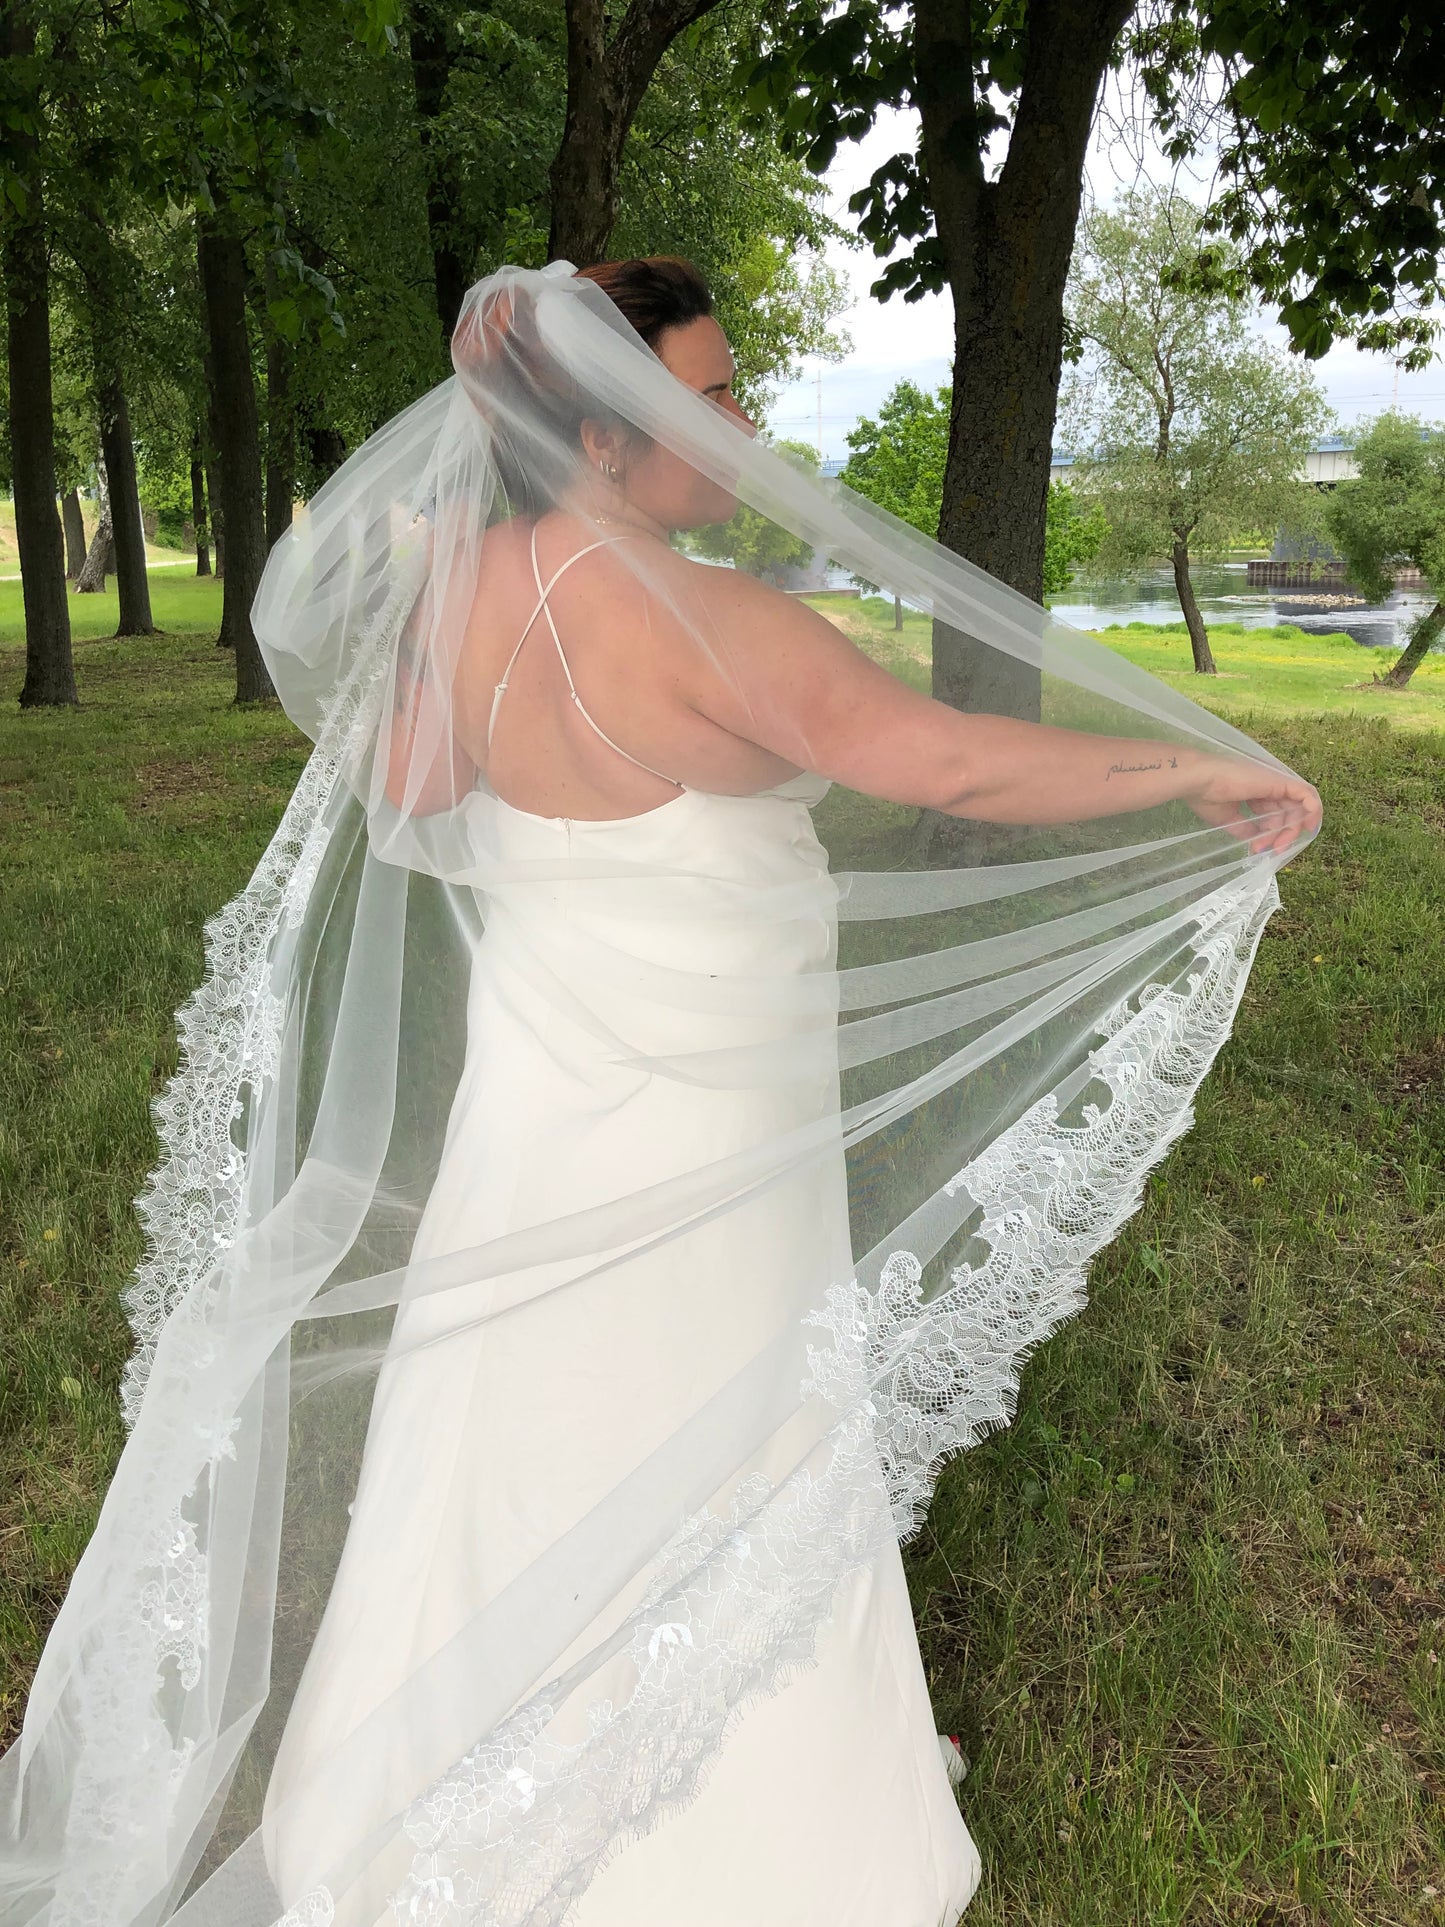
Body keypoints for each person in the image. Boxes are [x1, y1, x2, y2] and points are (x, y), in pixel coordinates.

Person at [0, 258, 1319, 1927]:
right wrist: (1201, 762)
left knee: (503, 1422)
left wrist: (429, 611)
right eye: (703, 397)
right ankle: (748, 1836)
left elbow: (411, 790)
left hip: (536, 1112)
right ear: (605, 441)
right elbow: (953, 764)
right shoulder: (712, 618)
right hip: (705, 1120)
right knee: (726, 1419)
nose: (743, 427)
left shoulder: (470, 588)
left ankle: (404, 1814)